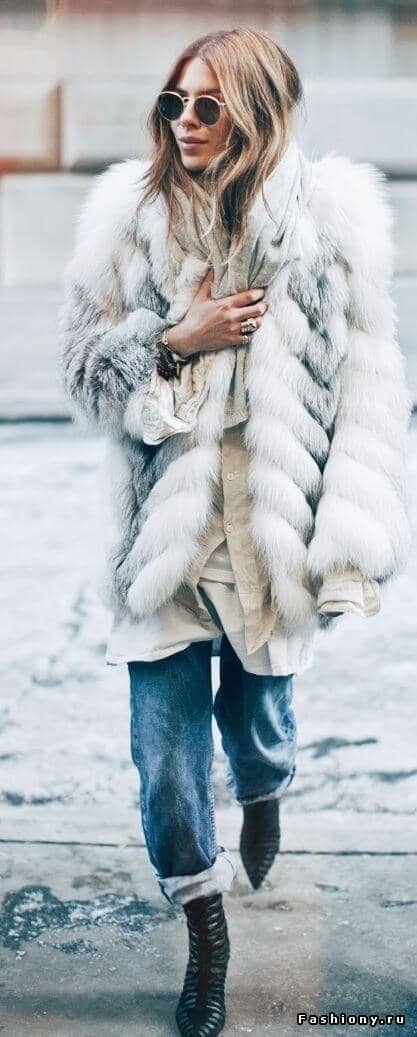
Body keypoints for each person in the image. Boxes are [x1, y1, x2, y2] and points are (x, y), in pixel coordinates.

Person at [58, 26, 411, 1037]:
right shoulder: (128, 217)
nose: (185, 123)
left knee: (256, 739)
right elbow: (83, 370)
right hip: (162, 541)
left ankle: (266, 791)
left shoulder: (332, 222)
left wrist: (347, 546)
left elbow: (370, 397)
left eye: (207, 105)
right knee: (166, 765)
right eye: (175, 103)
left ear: (258, 109)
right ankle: (205, 929)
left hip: (269, 537)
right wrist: (176, 340)